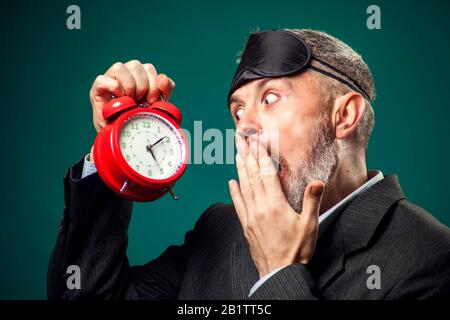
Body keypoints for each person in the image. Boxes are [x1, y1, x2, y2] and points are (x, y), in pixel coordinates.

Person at [48, 29, 450, 299]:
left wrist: (279, 272)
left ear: (343, 116)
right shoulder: (221, 229)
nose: (245, 129)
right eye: (238, 112)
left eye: (270, 98)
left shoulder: (431, 258)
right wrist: (115, 142)